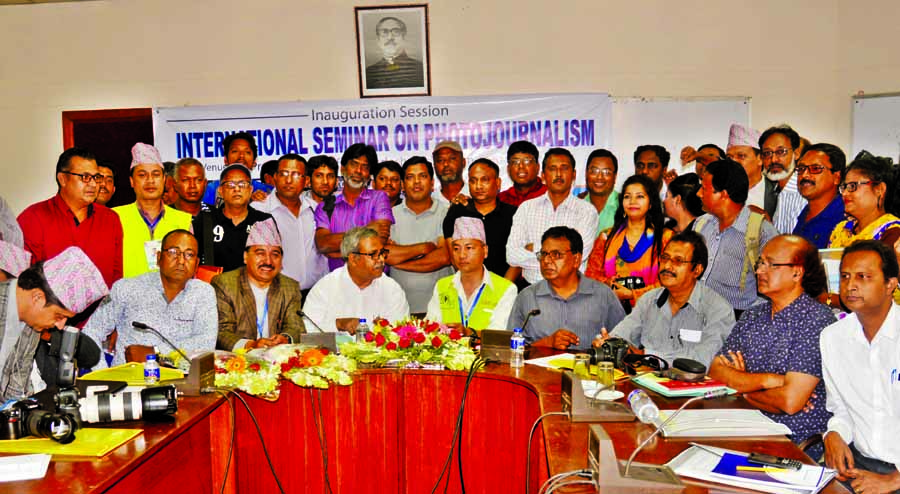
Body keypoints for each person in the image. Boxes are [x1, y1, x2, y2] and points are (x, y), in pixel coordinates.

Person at [709, 235, 834, 454]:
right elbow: (716, 372)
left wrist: (742, 391)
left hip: (791, 442)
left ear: (797, 272)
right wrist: (768, 381)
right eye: (760, 263)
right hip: (742, 427)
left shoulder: (816, 320)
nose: (759, 271)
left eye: (771, 264)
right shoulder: (753, 315)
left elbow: (789, 401)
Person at [821, 240, 900, 494]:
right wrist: (834, 434)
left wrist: (893, 481)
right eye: (845, 276)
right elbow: (841, 409)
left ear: (891, 284)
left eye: (863, 277)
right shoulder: (833, 338)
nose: (850, 285)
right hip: (860, 465)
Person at [593, 230, 734, 367]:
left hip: (691, 387)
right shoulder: (649, 300)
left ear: (697, 270)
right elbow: (623, 335)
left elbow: (704, 359)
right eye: (664, 258)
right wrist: (609, 343)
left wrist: (647, 356)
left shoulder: (719, 310)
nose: (667, 266)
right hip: (645, 382)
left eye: (678, 261)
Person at [83, 229, 217, 368]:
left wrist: (156, 352)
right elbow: (92, 331)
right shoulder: (126, 288)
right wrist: (103, 375)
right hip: (129, 383)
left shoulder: (204, 293)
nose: (181, 260)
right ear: (159, 258)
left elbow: (206, 343)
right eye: (173, 252)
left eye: (189, 254)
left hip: (183, 383)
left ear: (196, 264)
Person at [0, 247, 108, 401]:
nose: (60, 326)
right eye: (59, 316)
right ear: (37, 297)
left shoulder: (33, 324)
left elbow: (16, 390)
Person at [18, 147, 123, 295]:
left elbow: (116, 277)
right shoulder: (33, 218)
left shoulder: (110, 219)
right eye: (85, 177)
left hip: (102, 315)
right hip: (50, 315)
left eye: (96, 177)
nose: (93, 184)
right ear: (63, 179)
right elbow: (23, 282)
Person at [508, 226, 624, 350]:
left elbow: (624, 342)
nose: (546, 260)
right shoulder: (527, 297)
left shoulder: (603, 295)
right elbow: (510, 349)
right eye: (543, 254)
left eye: (556, 254)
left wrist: (608, 344)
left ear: (576, 259)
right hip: (537, 369)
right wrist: (547, 343)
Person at [696, 159, 778, 318]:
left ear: (723, 194)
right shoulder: (701, 224)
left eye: (704, 188)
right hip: (699, 318)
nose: (698, 193)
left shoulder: (762, 233)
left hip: (740, 323)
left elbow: (775, 288)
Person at [506, 147, 597, 285]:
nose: (559, 174)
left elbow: (578, 257)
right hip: (531, 288)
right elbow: (512, 255)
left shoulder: (587, 211)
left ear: (573, 175)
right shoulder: (526, 208)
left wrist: (533, 248)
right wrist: (561, 254)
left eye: (564, 168)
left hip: (572, 291)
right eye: (553, 168)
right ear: (543, 176)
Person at [212, 219, 305, 351]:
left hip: (276, 359)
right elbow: (221, 332)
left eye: (275, 254)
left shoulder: (290, 287)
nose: (268, 261)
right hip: (237, 361)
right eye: (260, 253)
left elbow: (296, 327)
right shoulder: (224, 284)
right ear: (245, 257)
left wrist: (285, 338)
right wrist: (251, 345)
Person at [586, 174, 672, 309]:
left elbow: (671, 281)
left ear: (650, 203)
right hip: (611, 311)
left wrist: (632, 293)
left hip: (654, 312)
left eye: (639, 196)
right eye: (627, 196)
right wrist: (610, 285)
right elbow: (592, 276)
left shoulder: (666, 239)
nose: (632, 201)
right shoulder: (606, 237)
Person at [304, 227, 409, 333]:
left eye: (382, 253)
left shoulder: (392, 289)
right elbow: (307, 330)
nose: (381, 259)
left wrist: (385, 330)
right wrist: (338, 324)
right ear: (353, 259)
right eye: (373, 254)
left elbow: (402, 333)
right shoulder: (325, 288)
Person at [113, 143, 193, 278]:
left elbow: (189, 268)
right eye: (142, 175)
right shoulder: (115, 217)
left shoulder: (183, 220)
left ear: (163, 179)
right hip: (127, 297)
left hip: (172, 297)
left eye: (155, 175)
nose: (150, 181)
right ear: (132, 181)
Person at [425, 217, 517, 332]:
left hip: (487, 350)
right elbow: (431, 326)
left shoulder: (506, 289)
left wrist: (467, 332)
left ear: (485, 251)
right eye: (456, 248)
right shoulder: (442, 286)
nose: (462, 255)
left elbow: (498, 334)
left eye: (469, 248)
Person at [252, 154, 328, 292]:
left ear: (306, 181)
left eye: (296, 175)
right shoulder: (258, 210)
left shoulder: (316, 209)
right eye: (283, 174)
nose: (288, 180)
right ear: (275, 177)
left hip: (316, 294)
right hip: (277, 295)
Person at [386, 156, 452, 314]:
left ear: (432, 183)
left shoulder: (447, 212)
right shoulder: (389, 216)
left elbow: (444, 257)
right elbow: (385, 255)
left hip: (441, 310)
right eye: (410, 177)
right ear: (403, 185)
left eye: (422, 176)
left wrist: (400, 260)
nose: (416, 182)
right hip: (399, 309)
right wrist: (425, 248)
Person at [314, 143, 394, 271]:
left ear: (369, 174)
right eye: (354, 164)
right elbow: (323, 244)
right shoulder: (325, 206)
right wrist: (367, 229)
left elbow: (380, 239)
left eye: (365, 167)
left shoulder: (379, 198)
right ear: (343, 169)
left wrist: (338, 252)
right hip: (339, 284)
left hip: (376, 281)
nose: (358, 171)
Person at [442, 158, 519, 282]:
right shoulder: (457, 212)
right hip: (468, 286)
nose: (478, 186)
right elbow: (454, 257)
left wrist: (503, 290)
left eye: (484, 180)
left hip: (506, 288)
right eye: (473, 181)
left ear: (498, 183)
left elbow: (518, 260)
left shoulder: (513, 214)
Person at [193, 164, 273, 272]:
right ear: (220, 190)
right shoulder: (205, 220)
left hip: (254, 286)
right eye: (230, 184)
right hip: (214, 287)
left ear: (250, 189)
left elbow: (273, 260)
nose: (237, 189)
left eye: (242, 184)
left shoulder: (264, 221)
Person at [829, 155, 900, 250]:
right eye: (844, 187)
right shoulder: (840, 230)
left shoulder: (893, 232)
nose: (845, 193)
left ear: (880, 189)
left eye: (852, 186)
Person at [793, 143, 846, 249]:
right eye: (801, 168)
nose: (805, 175)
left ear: (836, 177)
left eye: (815, 168)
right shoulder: (804, 213)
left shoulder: (845, 217)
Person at [201, 132, 271, 205]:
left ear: (254, 161)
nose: (241, 156)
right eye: (235, 151)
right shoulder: (209, 190)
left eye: (247, 152)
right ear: (225, 160)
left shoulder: (267, 190)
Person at [760, 125, 806, 234]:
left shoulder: (803, 193)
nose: (773, 159)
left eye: (781, 152)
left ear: (796, 153)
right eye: (767, 153)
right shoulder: (774, 190)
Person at [365, 16, 424, 89]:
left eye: (396, 32)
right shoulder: (368, 74)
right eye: (384, 32)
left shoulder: (421, 69)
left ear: (404, 38)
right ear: (378, 40)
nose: (390, 37)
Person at [725, 124, 766, 211]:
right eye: (729, 157)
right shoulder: (720, 190)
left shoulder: (776, 192)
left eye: (741, 156)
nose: (734, 162)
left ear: (760, 159)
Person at [580, 149, 619, 236]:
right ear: (586, 173)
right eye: (594, 171)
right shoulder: (577, 206)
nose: (600, 177)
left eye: (606, 172)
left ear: (615, 177)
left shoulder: (625, 206)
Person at [498, 141, 546, 206]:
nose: (521, 166)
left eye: (527, 161)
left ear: (537, 167)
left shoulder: (551, 196)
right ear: (508, 169)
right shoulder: (500, 199)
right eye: (515, 162)